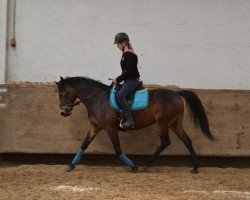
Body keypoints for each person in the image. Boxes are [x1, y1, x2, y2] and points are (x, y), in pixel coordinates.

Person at [113, 32, 141, 129]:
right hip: (128, 80)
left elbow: (128, 72)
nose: (117, 46)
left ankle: (130, 121)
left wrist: (117, 79)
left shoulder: (129, 54)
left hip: (132, 80)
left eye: (118, 44)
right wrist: (117, 79)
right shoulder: (125, 55)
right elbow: (125, 72)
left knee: (120, 95)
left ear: (123, 43)